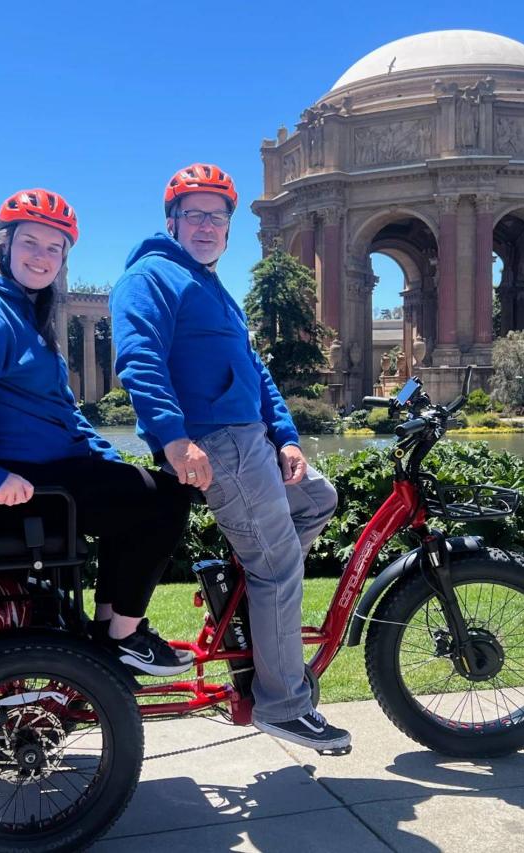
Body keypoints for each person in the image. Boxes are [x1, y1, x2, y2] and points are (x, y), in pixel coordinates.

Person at [110, 164, 350, 751]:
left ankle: (249, 603)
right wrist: (173, 438)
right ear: (172, 221)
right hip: (215, 443)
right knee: (279, 567)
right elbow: (139, 361)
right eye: (195, 214)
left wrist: (287, 436)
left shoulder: (214, 287)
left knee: (319, 498)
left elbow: (255, 371)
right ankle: (283, 705)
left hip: (252, 440)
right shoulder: (151, 277)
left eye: (218, 217)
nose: (208, 225)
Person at [0, 188, 195, 677]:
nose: (42, 257)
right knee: (169, 499)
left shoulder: (20, 311)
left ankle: (111, 627)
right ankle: (124, 634)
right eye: (31, 242)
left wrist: (104, 456)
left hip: (40, 476)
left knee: (141, 492)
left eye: (55, 249)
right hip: (12, 491)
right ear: (4, 245)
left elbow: (61, 414)